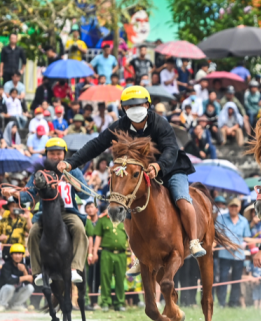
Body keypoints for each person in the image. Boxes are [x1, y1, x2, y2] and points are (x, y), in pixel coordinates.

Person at [60, 86, 205, 263]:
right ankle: (138, 255)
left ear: (148, 104)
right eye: (130, 105)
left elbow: (171, 148)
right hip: (139, 174)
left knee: (182, 199)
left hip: (170, 168)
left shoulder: (160, 123)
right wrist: (71, 162)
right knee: (126, 204)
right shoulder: (119, 126)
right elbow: (96, 145)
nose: (135, 109)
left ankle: (194, 241)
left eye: (139, 104)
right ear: (124, 108)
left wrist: (158, 166)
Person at [3, 138, 90, 286]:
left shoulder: (73, 170)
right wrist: (13, 193)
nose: (55, 157)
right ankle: (37, 271)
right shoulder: (40, 173)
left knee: (79, 229)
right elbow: (27, 195)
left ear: (64, 154)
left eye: (59, 153)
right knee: (33, 232)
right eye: (52, 154)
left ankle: (75, 268)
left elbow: (86, 194)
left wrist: (74, 183)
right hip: (47, 213)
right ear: (46, 155)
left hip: (69, 212)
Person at [90, 210, 128, 312]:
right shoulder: (103, 219)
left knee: (120, 279)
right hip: (107, 253)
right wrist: (94, 252)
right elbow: (98, 237)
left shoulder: (124, 219)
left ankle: (119, 303)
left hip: (121, 254)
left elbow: (130, 237)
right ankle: (106, 302)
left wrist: (133, 253)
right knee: (105, 278)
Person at [216, 198, 251, 308]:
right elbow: (217, 235)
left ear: (239, 208)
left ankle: (233, 303)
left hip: (239, 255)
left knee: (236, 279)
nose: (233, 208)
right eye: (231, 206)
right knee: (223, 278)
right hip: (224, 254)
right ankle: (221, 303)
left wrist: (245, 244)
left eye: (236, 206)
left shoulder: (244, 221)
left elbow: (246, 237)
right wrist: (228, 244)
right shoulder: (221, 218)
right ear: (228, 207)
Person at [0, 243, 34, 311]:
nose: (17, 256)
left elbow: (28, 282)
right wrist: (24, 278)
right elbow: (8, 280)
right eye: (15, 254)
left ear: (22, 255)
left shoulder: (23, 266)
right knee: (10, 287)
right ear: (11, 255)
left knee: (30, 288)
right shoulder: (6, 266)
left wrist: (24, 271)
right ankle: (2, 305)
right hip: (2, 295)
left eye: (19, 254)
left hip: (14, 296)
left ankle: (16, 305)